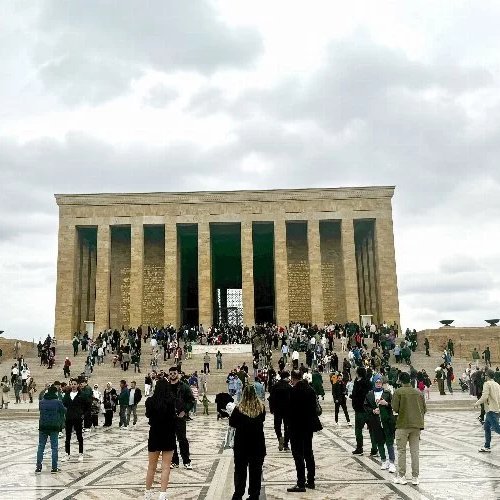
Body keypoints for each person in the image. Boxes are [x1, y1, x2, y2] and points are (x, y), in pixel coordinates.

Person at [287, 369, 322, 493]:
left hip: (296, 427)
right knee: (308, 452)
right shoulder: (310, 390)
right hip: (308, 427)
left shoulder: (293, 391)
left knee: (298, 454)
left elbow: (290, 411)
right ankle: (311, 481)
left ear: (292, 377)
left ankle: (301, 482)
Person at [229, 385, 266, 500]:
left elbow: (232, 423)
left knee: (240, 470)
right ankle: (254, 494)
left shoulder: (238, 409)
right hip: (258, 444)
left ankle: (238, 494)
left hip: (242, 444)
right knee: (256, 471)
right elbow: (262, 420)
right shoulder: (261, 408)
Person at [144, 378, 177, 500]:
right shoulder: (171, 401)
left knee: (151, 466)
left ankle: (147, 493)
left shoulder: (150, 401)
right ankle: (162, 495)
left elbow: (148, 415)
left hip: (154, 434)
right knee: (166, 466)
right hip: (168, 434)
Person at [392, 372, 426, 485]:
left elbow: (395, 408)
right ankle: (415, 477)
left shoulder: (398, 392)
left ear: (400, 381)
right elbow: (424, 409)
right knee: (415, 452)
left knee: (401, 451)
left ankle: (402, 476)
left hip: (402, 424)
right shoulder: (418, 392)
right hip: (416, 425)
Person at [364, 374, 396, 473]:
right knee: (379, 442)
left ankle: (391, 462)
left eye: (380, 382)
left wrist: (386, 403)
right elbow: (366, 407)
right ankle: (383, 460)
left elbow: (394, 405)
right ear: (374, 382)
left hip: (387, 421)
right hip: (376, 422)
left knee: (389, 442)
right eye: (377, 382)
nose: (378, 384)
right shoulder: (369, 394)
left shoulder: (387, 393)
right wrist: (373, 410)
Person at [168, 366, 195, 469]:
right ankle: (174, 461)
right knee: (171, 440)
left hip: (180, 417)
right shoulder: (166, 387)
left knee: (182, 439)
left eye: (174, 373)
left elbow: (191, 401)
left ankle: (186, 461)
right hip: (169, 417)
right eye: (171, 374)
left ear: (178, 374)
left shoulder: (184, 386)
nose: (172, 375)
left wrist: (184, 411)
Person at [35, 384, 66, 474]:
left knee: (41, 446)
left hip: (43, 426)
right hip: (54, 426)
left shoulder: (41, 402)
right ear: (55, 392)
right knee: (54, 447)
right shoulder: (57, 402)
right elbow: (64, 410)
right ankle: (54, 467)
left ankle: (38, 467)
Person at [351, 366, 376, 455]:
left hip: (360, 410)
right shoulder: (369, 383)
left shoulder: (357, 383)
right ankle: (374, 449)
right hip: (369, 409)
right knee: (372, 430)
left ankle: (359, 448)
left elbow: (354, 394)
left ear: (358, 373)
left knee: (358, 430)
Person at [474, 369, 500, 452]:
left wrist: (477, 403)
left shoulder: (487, 384)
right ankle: (487, 446)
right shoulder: (497, 384)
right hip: (496, 408)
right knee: (487, 427)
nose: (483, 376)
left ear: (487, 376)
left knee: (496, 428)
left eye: (485, 375)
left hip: (491, 409)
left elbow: (484, 396)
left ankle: (487, 446)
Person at [62, 378, 85, 462]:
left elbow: (87, 405)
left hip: (78, 418)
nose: (73, 385)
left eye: (75, 384)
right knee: (68, 436)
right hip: (69, 417)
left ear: (78, 385)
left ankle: (81, 453)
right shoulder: (67, 394)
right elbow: (63, 403)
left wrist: (82, 414)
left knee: (79, 436)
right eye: (72, 384)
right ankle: (67, 454)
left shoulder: (81, 394)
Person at [269, 370, 292, 451]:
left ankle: (280, 438)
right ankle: (286, 444)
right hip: (287, 410)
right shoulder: (289, 387)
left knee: (277, 426)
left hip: (277, 410)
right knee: (287, 427)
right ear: (286, 377)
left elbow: (271, 399)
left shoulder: (275, 386)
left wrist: (271, 408)